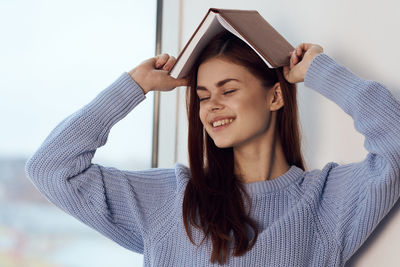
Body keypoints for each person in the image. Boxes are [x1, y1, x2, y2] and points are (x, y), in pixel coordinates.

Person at [25, 30, 400, 267]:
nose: (211, 106)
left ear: (275, 96)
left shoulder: (325, 202)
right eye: (203, 96)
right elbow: (51, 168)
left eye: (229, 90)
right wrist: (134, 85)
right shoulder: (172, 199)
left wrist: (320, 71)